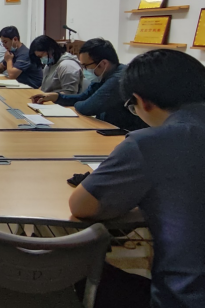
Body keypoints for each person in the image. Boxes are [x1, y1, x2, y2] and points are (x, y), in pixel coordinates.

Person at [69, 50, 205, 308]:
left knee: (81, 271)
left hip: (183, 298)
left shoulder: (149, 143)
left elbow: (82, 206)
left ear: (142, 102)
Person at [30, 38, 147, 131]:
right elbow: (84, 97)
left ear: (103, 64)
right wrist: (57, 97)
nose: (84, 70)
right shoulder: (103, 75)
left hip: (124, 133)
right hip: (107, 127)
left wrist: (80, 103)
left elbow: (87, 107)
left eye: (86, 66)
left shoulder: (118, 79)